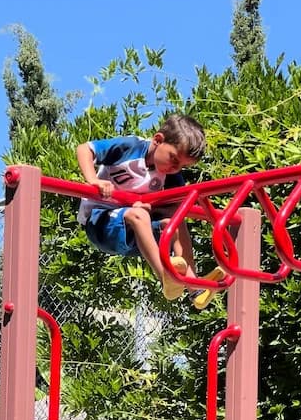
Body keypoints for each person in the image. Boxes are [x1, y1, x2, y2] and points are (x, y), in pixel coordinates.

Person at [74, 112, 225, 309]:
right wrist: (93, 180)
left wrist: (152, 208)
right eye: (173, 158)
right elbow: (85, 149)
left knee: (174, 222)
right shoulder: (130, 147)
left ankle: (194, 287)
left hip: (133, 233)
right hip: (100, 222)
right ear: (158, 140)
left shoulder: (171, 176)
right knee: (139, 214)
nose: (175, 168)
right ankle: (165, 276)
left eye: (182, 166)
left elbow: (176, 207)